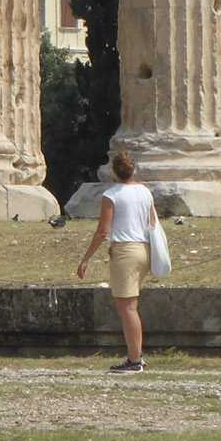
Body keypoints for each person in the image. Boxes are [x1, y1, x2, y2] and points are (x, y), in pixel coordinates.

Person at [75, 149, 157, 373]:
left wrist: (86, 259)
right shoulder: (145, 192)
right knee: (131, 306)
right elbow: (152, 222)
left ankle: (134, 360)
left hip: (125, 251)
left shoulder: (112, 195)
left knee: (126, 307)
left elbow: (103, 230)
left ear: (114, 171)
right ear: (133, 169)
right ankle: (136, 355)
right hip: (144, 249)